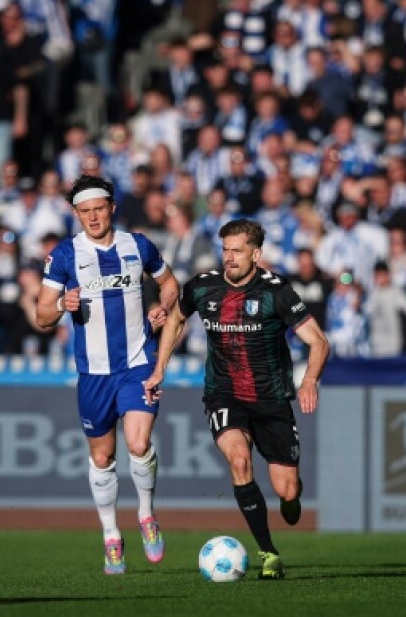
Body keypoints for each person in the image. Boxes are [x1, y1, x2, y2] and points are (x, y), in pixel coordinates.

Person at [145, 219, 331, 581]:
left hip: (272, 399)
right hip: (224, 393)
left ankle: (291, 501)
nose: (228, 258)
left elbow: (319, 341)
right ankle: (268, 552)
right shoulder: (203, 286)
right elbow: (177, 318)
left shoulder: (276, 292)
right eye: (225, 250)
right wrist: (159, 368)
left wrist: (310, 380)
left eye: (237, 251)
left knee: (286, 489)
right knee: (239, 459)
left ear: (256, 254)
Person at [34, 175, 179, 575]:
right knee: (103, 456)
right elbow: (41, 313)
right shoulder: (65, 255)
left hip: (137, 363)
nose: (93, 217)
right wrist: (62, 303)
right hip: (94, 373)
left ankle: (147, 515)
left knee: (138, 442)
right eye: (85, 211)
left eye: (99, 208)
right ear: (76, 214)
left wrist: (162, 309)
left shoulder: (138, 245)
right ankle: (111, 536)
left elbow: (169, 284)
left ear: (111, 207)